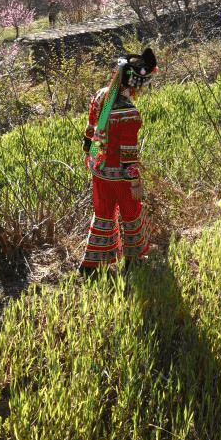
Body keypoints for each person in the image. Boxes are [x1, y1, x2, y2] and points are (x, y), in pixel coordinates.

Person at [79, 47, 157, 275]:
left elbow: (91, 129)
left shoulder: (101, 95)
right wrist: (135, 183)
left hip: (99, 168)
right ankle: (132, 261)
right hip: (120, 176)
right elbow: (128, 154)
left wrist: (90, 154)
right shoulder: (128, 113)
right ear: (135, 82)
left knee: (103, 214)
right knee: (131, 213)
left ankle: (91, 265)